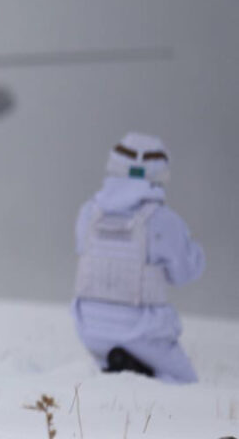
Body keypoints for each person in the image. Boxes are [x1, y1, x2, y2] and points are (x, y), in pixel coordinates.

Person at [72, 132, 205, 383]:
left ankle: (122, 369)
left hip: (90, 327)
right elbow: (185, 273)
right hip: (143, 329)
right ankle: (139, 371)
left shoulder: (89, 213)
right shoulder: (162, 220)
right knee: (185, 385)